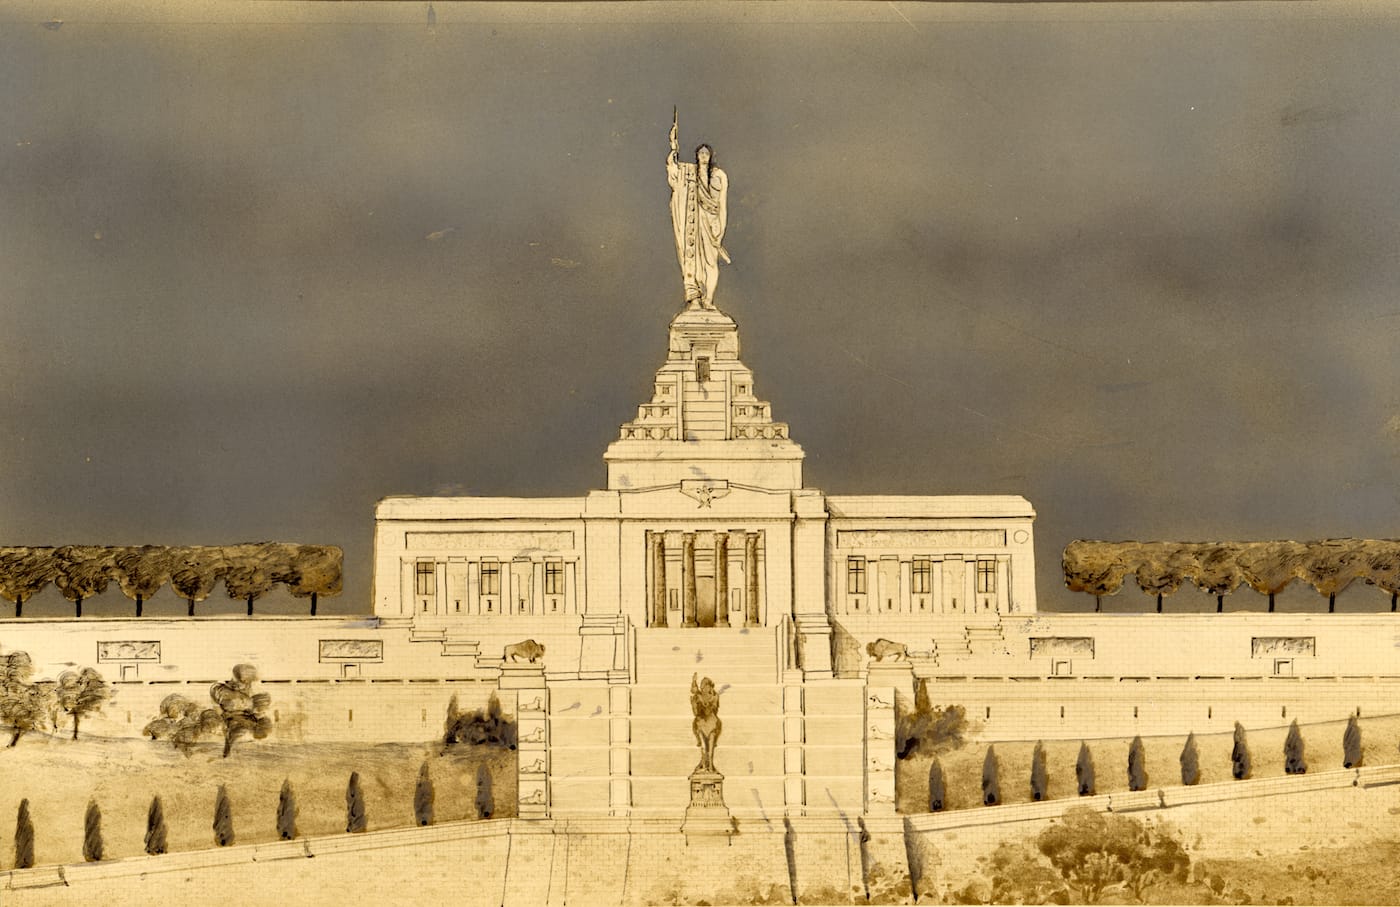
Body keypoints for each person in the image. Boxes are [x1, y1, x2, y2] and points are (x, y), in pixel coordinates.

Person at [667, 113, 730, 309]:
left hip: (711, 225)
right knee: (692, 259)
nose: (703, 156)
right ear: (697, 156)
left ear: (711, 155)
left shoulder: (720, 176)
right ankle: (694, 297)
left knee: (711, 263)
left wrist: (721, 229)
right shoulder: (689, 173)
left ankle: (709, 300)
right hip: (693, 223)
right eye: (700, 153)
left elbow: (722, 204)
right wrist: (673, 149)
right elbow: (674, 173)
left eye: (706, 153)